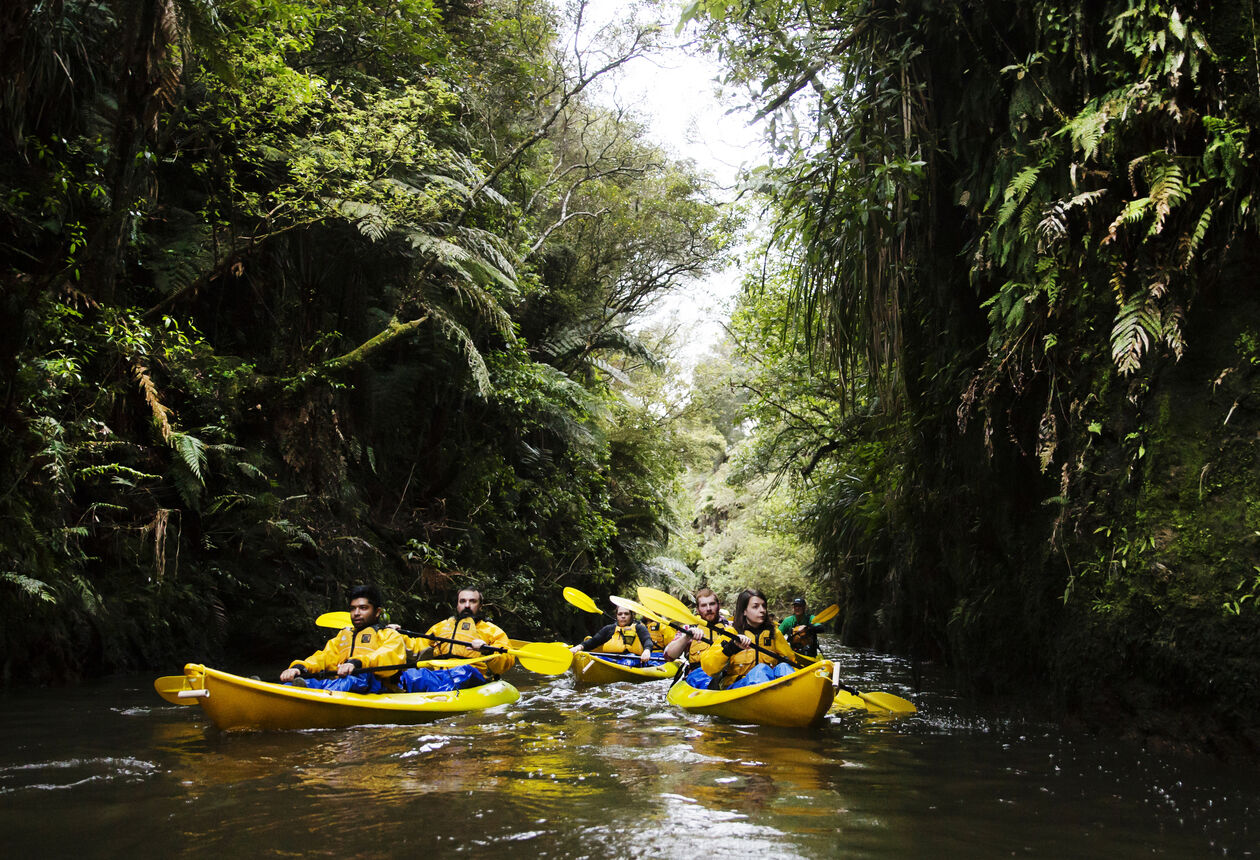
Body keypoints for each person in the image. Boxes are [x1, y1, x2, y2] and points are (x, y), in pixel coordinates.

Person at [279, 585, 408, 693]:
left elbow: (388, 657)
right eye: (353, 608)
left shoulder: (389, 635)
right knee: (304, 679)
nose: (356, 613)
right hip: (341, 683)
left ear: (377, 612)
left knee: (352, 679)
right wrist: (300, 667)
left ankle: (319, 697)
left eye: (363, 608)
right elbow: (323, 657)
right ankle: (285, 692)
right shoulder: (343, 636)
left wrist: (356, 663)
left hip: (375, 685)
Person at [397, 586, 515, 693]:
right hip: (440, 676)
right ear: (457, 605)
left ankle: (442, 697)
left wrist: (488, 650)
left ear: (480, 606)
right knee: (411, 675)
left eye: (472, 601)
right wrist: (397, 635)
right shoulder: (440, 627)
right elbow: (417, 648)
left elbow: (506, 661)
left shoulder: (492, 631)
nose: (467, 605)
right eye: (462, 601)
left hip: (472, 677)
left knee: (463, 672)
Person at [700, 588, 797, 689]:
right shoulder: (732, 632)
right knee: (761, 669)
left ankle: (795, 693)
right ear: (744, 611)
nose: (762, 610)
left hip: (768, 686)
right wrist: (731, 647)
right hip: (738, 687)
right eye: (755, 607)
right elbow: (709, 668)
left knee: (784, 667)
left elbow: (792, 662)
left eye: (764, 606)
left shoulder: (774, 633)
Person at [663, 587, 728, 687]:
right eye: (703, 605)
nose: (708, 608)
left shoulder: (730, 628)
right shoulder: (688, 628)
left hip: (724, 674)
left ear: (718, 605)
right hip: (697, 676)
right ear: (697, 609)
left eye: (712, 604)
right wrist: (687, 637)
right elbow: (669, 656)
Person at [571, 606, 654, 664]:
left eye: (626, 614)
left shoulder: (639, 628)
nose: (623, 616)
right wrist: (578, 647)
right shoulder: (609, 629)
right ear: (616, 616)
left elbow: (647, 640)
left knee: (628, 661)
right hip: (609, 658)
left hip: (632, 659)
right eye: (620, 614)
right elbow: (593, 641)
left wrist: (647, 651)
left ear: (631, 616)